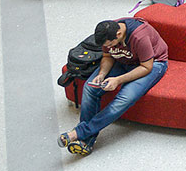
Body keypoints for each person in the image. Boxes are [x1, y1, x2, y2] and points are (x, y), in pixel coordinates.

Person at [58, 18, 169, 156]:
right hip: (124, 59)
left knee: (124, 98)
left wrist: (117, 80)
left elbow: (146, 67)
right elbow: (107, 55)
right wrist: (102, 74)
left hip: (152, 64)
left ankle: (79, 133)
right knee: (89, 87)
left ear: (118, 34)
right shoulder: (108, 33)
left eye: (110, 44)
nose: (109, 46)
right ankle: (85, 141)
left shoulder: (140, 36)